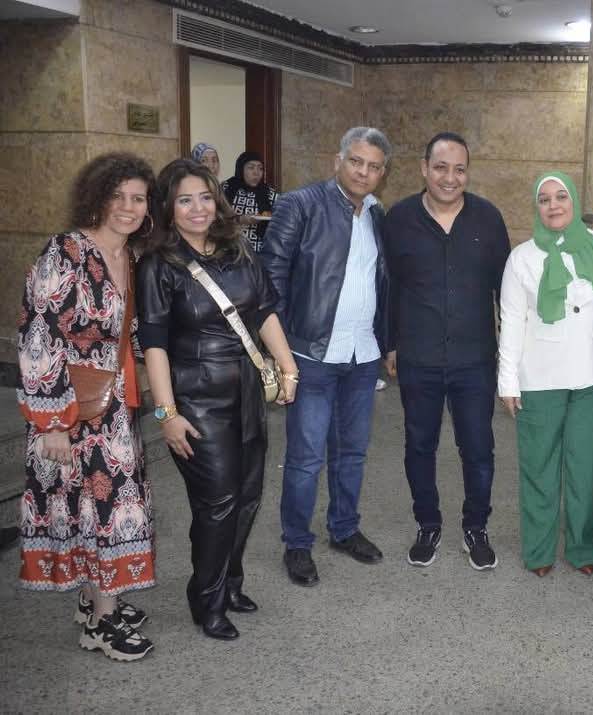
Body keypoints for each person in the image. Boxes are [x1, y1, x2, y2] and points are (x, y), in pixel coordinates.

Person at [138, 159, 298, 639]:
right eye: (185, 200)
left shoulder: (238, 248)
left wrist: (288, 367)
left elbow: (264, 311)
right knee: (218, 500)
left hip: (246, 390)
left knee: (247, 496)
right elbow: (154, 344)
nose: (198, 208)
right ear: (168, 208)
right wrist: (166, 413)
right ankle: (205, 598)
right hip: (196, 398)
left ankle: (230, 584)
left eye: (205, 197)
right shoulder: (158, 264)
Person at [16, 152, 157, 661]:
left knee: (98, 508)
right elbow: (39, 335)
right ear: (97, 197)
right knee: (106, 510)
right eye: (118, 196)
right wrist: (53, 423)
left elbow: (129, 333)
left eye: (138, 198)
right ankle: (101, 623)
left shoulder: (130, 256)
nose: (128, 207)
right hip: (72, 410)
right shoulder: (67, 252)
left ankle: (96, 599)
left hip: (115, 407)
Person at [262, 126, 393, 586]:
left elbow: (383, 284)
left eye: (373, 166)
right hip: (310, 354)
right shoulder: (300, 205)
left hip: (363, 355)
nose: (363, 172)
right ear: (337, 161)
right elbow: (270, 281)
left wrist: (387, 343)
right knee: (305, 458)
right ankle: (297, 543)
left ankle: (344, 529)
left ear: (382, 173)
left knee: (352, 453)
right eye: (356, 161)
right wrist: (281, 354)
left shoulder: (378, 215)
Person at [383, 132, 511, 571]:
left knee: (478, 448)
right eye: (440, 167)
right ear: (424, 168)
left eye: (459, 169)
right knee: (420, 445)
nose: (449, 178)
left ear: (467, 173)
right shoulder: (399, 219)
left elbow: (505, 292)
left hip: (475, 359)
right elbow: (389, 287)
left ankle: (476, 527)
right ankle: (428, 524)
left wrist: (510, 355)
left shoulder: (488, 219)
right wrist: (391, 343)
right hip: (418, 357)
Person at [497, 171, 593, 576]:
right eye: (544, 199)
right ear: (536, 207)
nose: (553, 205)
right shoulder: (522, 258)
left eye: (561, 197)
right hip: (539, 379)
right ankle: (539, 551)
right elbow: (511, 322)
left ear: (574, 201)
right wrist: (508, 381)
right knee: (538, 468)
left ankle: (582, 547)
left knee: (586, 470)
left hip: (592, 377)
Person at [222, 151, 278, 253]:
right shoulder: (226, 188)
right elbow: (215, 218)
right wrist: (240, 220)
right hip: (228, 249)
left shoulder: (269, 193)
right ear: (241, 169)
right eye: (251, 167)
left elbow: (281, 220)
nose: (256, 173)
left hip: (258, 252)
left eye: (260, 168)